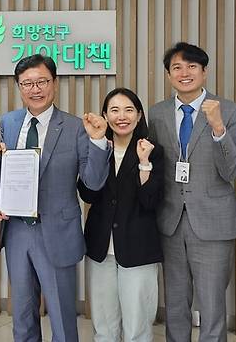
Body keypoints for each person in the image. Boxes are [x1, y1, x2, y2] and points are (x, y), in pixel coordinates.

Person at [0, 54, 111, 342]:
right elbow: (4, 176)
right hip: (17, 230)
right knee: (22, 316)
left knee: (62, 318)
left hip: (57, 231)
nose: (35, 89)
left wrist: (97, 141)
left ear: (54, 83)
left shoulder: (75, 127)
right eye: (27, 83)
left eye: (42, 81)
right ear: (19, 86)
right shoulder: (8, 122)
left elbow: (93, 182)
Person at [147, 42, 236, 342]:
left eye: (191, 66)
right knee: (175, 302)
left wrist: (218, 129)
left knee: (212, 304)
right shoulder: (157, 113)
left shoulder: (230, 111)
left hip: (213, 222)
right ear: (168, 75)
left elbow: (232, 171)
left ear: (204, 72)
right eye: (176, 67)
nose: (184, 73)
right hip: (170, 220)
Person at [77, 87, 164, 342]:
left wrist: (144, 163)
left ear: (139, 115)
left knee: (137, 325)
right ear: (105, 115)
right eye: (114, 110)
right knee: (104, 325)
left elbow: (151, 201)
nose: (121, 116)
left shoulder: (152, 150)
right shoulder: (96, 148)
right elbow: (88, 194)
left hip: (138, 247)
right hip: (100, 247)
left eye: (128, 110)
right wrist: (97, 147)